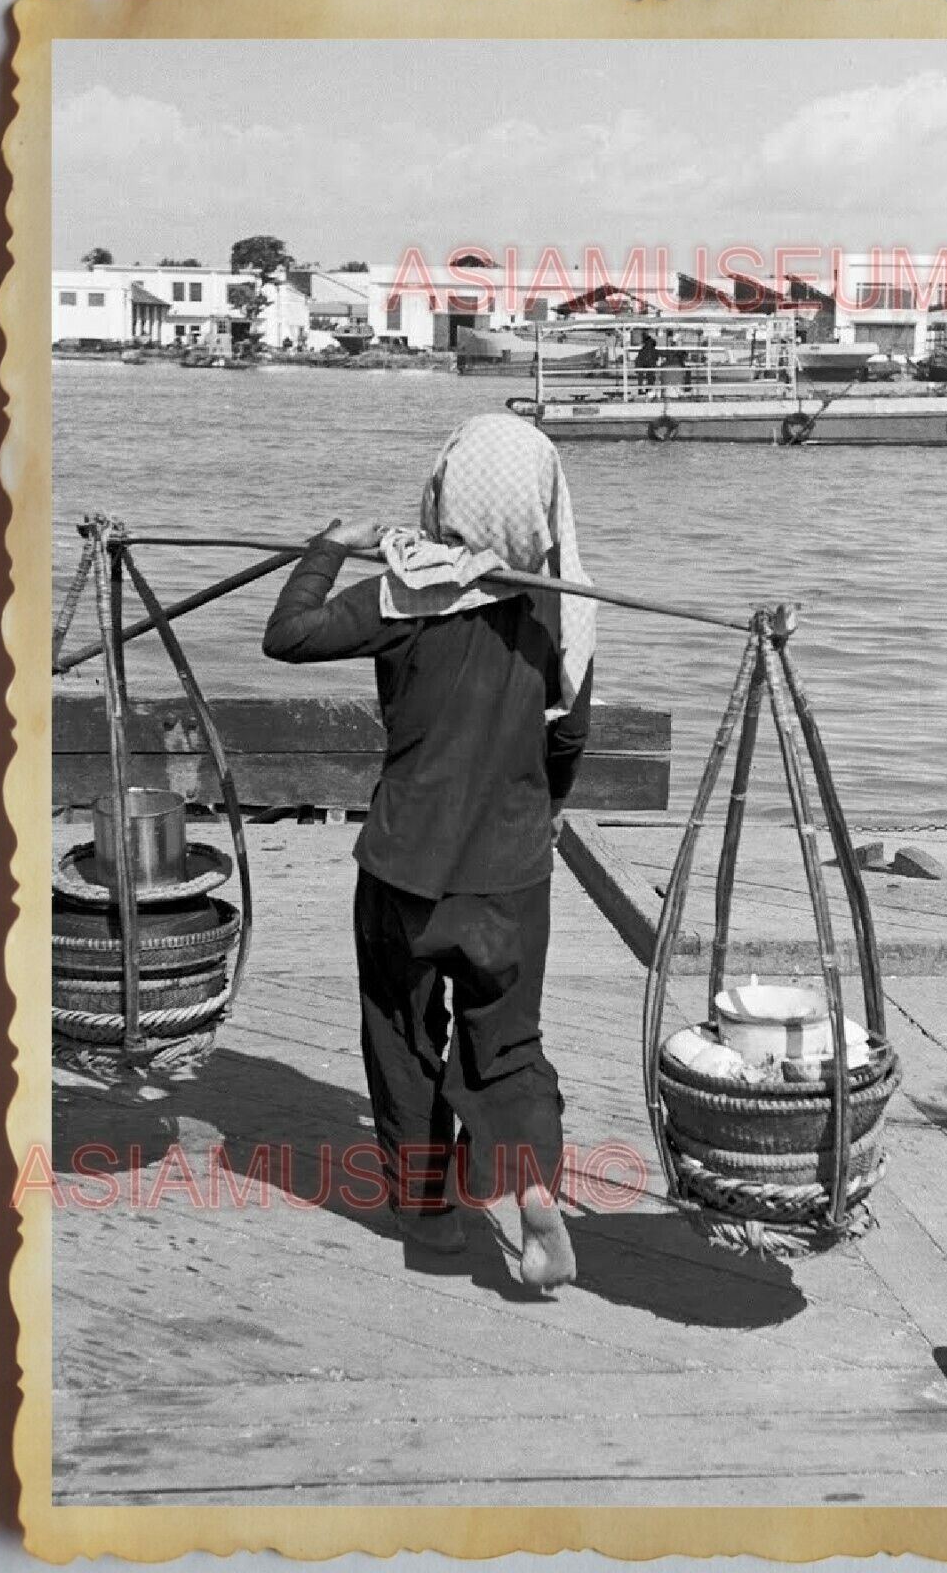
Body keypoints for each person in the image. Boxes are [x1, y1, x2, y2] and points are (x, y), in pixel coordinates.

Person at [262, 414, 595, 1290]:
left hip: (407, 864)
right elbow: (570, 741)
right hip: (512, 874)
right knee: (508, 1043)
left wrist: (330, 546)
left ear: (446, 491)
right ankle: (528, 1189)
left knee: (405, 1038)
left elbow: (288, 635)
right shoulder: (566, 606)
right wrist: (541, 810)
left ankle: (430, 1222)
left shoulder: (405, 592)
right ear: (544, 499)